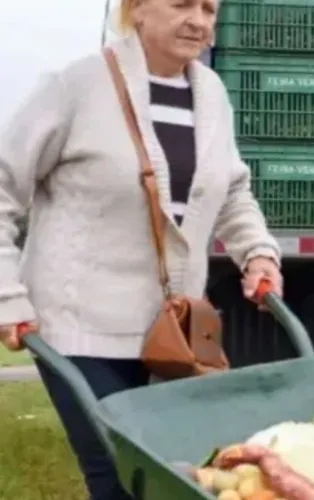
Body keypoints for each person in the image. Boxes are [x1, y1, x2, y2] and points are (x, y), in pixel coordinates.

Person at [0, 1, 282, 499]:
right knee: (121, 477)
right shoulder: (77, 86)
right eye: (181, 4)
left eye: (209, 9)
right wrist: (7, 294)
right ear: (137, 10)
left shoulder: (211, 93)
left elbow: (233, 191)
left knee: (170, 477)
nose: (198, 20)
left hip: (171, 335)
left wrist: (257, 253)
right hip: (78, 327)